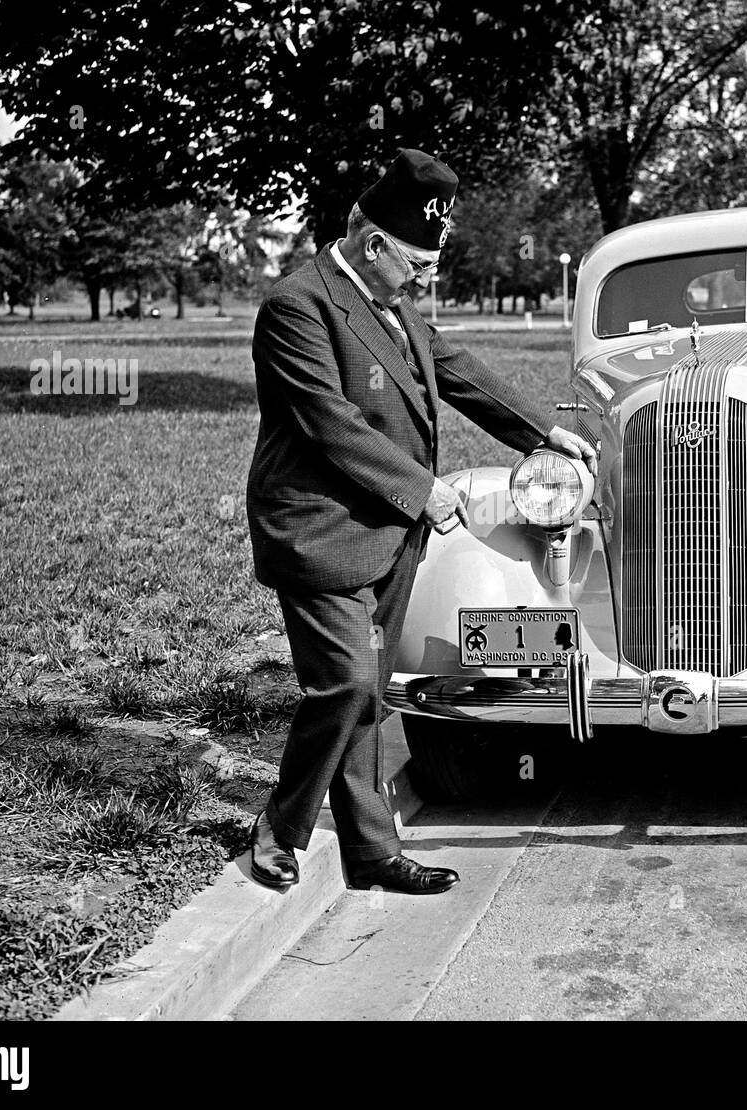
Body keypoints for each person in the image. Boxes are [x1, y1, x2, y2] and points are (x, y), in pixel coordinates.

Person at [245, 149, 597, 894]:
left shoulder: (392, 301)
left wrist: (540, 430)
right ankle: (280, 829)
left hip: (386, 533)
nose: (427, 276)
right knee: (342, 683)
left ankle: (372, 853)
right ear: (373, 244)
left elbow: (456, 367)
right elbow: (329, 424)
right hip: (319, 531)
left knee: (371, 692)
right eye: (416, 261)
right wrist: (426, 490)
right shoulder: (297, 307)